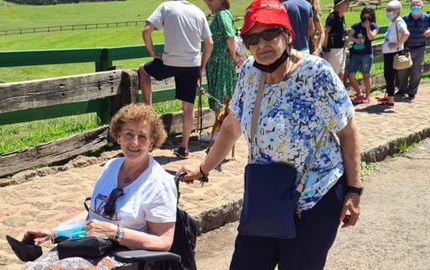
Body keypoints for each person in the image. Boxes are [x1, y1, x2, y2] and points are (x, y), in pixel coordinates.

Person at [180, 0, 362, 269]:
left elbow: (347, 133)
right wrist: (204, 168)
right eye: (252, 38)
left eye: (270, 34)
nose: (261, 44)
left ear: (288, 35)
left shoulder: (315, 73)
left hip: (314, 197)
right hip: (266, 197)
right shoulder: (249, 73)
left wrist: (354, 191)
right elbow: (232, 126)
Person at [22, 104, 178, 269]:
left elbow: (163, 242)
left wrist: (116, 233)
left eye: (143, 137)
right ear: (118, 137)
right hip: (89, 244)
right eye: (129, 134)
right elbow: (93, 213)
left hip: (124, 254)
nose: (134, 142)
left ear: (152, 142)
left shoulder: (160, 183)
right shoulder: (111, 167)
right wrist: (54, 232)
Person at [139, 0, 213, 159]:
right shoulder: (198, 12)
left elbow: (146, 31)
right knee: (188, 107)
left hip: (170, 62)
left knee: (143, 71)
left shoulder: (166, 7)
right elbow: (209, 43)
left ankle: (149, 109)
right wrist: (201, 68)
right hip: (191, 65)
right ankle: (184, 148)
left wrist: (153, 53)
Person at [200, 0, 240, 143]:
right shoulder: (222, 14)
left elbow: (229, 36)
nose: (207, 2)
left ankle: (219, 133)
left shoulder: (221, 15)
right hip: (221, 62)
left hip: (221, 63)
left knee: (220, 95)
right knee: (224, 95)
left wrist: (233, 55)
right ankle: (223, 131)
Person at [378, 0, 410, 108]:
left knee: (389, 75)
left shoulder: (398, 22)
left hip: (392, 53)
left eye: (389, 10)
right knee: (388, 75)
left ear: (396, 11)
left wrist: (397, 44)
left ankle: (390, 99)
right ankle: (388, 95)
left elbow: (406, 34)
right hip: (389, 52)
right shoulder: (394, 21)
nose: (387, 12)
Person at [397, 0, 430, 102]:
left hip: (420, 47)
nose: (415, 7)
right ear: (410, 7)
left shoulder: (427, 18)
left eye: (418, 5)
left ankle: (412, 92)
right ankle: (402, 89)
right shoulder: (404, 18)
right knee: (402, 70)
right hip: (406, 48)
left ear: (422, 7)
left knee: (417, 71)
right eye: (413, 5)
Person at [348, 7, 379, 105]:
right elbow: (350, 36)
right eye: (365, 15)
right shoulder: (356, 25)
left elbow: (371, 37)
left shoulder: (374, 26)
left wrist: (368, 27)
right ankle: (359, 93)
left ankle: (368, 96)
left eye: (368, 16)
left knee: (366, 75)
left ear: (372, 16)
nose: (366, 18)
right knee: (351, 75)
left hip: (366, 54)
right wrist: (355, 40)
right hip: (355, 53)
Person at [322, 0, 350, 81]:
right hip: (334, 50)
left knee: (341, 73)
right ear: (339, 6)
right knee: (333, 75)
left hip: (342, 48)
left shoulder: (342, 16)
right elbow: (326, 32)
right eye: (346, 3)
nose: (348, 5)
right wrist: (325, 49)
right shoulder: (333, 17)